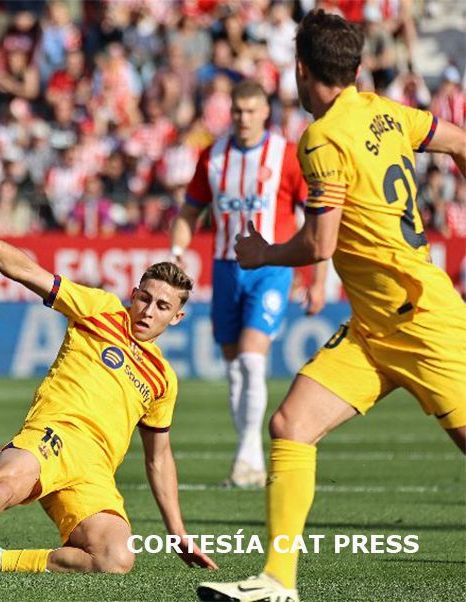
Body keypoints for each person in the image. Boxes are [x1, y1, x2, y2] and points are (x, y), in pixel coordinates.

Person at [198, 10, 466, 602]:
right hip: (374, 327)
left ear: (300, 70)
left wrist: (262, 251)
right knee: (291, 425)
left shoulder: (320, 139)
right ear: (354, 66)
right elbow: (460, 143)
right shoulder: (383, 111)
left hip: (423, 323)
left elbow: (319, 243)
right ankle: (278, 581)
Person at [0, 222, 218, 577]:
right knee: (1, 489)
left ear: (177, 317)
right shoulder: (101, 310)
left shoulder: (163, 379)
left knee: (114, 558)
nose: (149, 311)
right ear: (133, 293)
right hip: (52, 437)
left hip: (94, 474)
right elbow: (29, 272)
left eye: (163, 306)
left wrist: (178, 532)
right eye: (145, 298)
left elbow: (160, 458)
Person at [171, 80, 327, 488]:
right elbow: (190, 211)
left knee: (252, 359)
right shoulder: (213, 156)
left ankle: (249, 458)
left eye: (251, 111)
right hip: (225, 268)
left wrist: (318, 278)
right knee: (235, 368)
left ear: (265, 113)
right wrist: (178, 249)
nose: (242, 119)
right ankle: (247, 454)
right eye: (237, 112)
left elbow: (316, 221)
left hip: (272, 268)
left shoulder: (286, 156)